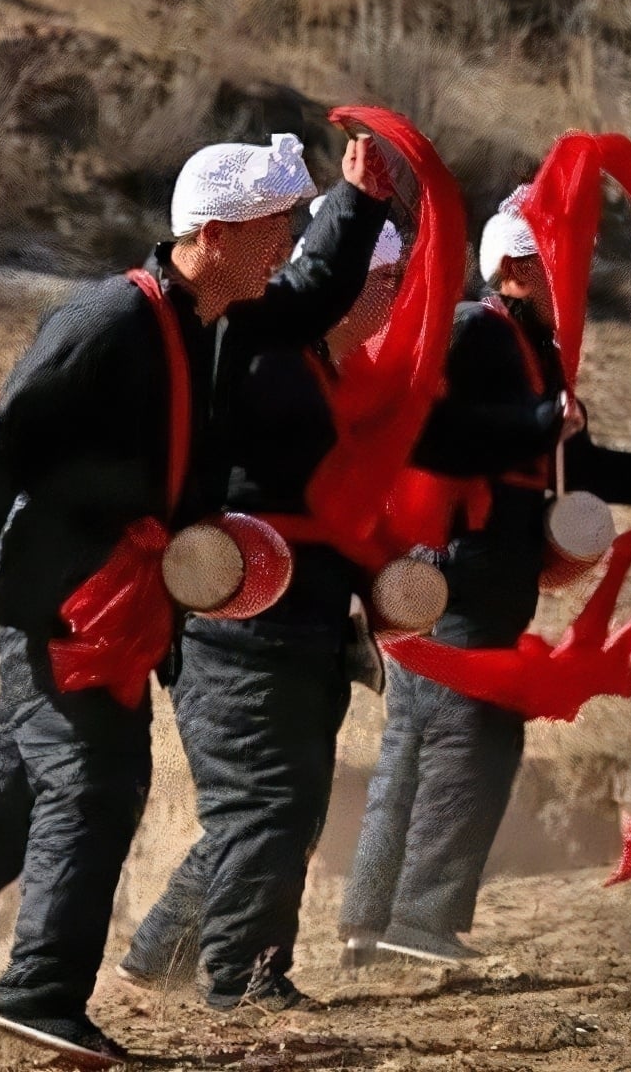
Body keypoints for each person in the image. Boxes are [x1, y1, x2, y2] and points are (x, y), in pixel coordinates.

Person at [0, 132, 384, 1066]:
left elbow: (312, 296)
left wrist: (356, 207)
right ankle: (40, 996)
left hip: (115, 604)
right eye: (276, 228)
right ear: (214, 234)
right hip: (67, 603)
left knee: (3, 800)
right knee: (97, 784)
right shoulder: (107, 320)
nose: (286, 246)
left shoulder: (222, 315)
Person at [338, 186, 631, 965]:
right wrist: (538, 424)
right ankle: (420, 921)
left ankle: (370, 922)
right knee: (473, 737)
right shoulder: (476, 333)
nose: (571, 278)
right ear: (509, 268)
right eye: (553, 264)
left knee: (415, 740)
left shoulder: (535, 352)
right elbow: (433, 433)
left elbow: (566, 460)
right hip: (459, 572)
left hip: (458, 575)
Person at [116, 197, 403, 1010]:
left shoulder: (312, 365)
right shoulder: (248, 343)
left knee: (285, 801)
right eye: (385, 278)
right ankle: (242, 979)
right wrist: (355, 207)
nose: (396, 297)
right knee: (266, 801)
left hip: (303, 615)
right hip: (241, 616)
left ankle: (159, 959)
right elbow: (312, 280)